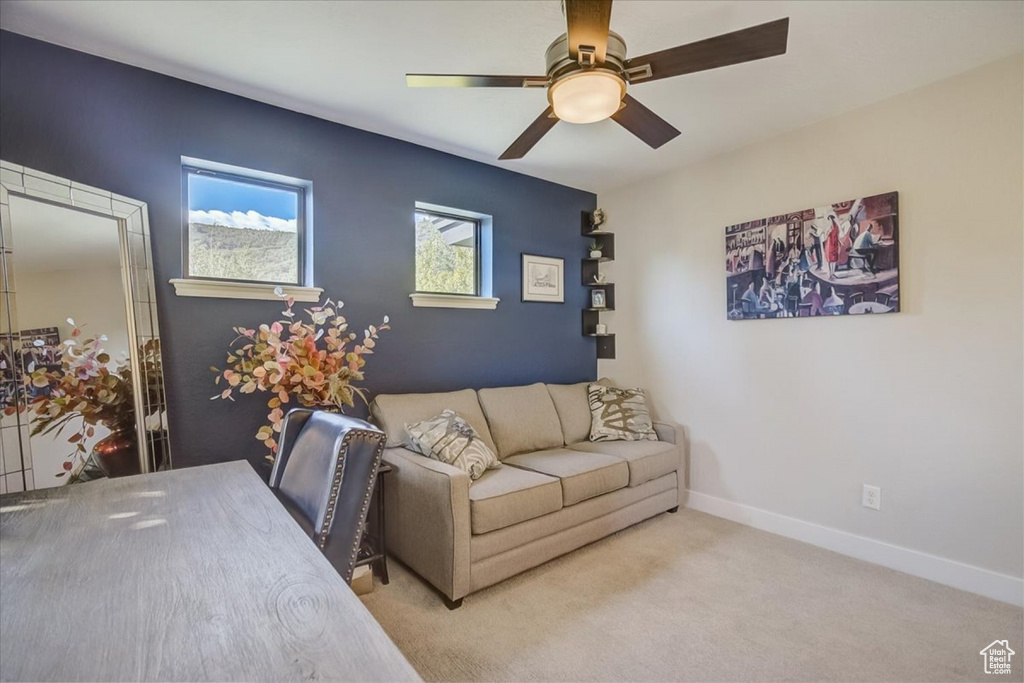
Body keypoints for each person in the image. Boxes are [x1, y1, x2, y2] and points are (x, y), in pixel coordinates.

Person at [824, 214, 841, 280]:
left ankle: (833, 273)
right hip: (829, 243)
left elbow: (837, 235)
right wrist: (828, 232)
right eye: (830, 220)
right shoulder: (829, 227)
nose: (831, 221)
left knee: (834, 259)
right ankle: (830, 275)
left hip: (835, 243)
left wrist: (839, 241)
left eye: (832, 219)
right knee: (830, 258)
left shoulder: (836, 226)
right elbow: (826, 235)